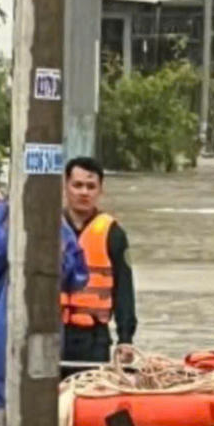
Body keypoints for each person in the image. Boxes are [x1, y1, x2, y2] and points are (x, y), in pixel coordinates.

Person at [0, 199, 87, 408]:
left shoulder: (56, 224)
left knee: (37, 393)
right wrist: (9, 226)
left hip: (43, 321)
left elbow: (76, 277)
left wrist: (59, 253)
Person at [59, 156, 137, 374]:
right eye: (77, 185)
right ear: (66, 186)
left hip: (94, 338)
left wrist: (125, 338)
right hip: (53, 332)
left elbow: (124, 289)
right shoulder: (48, 227)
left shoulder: (113, 233)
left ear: (100, 190)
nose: (84, 192)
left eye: (91, 186)